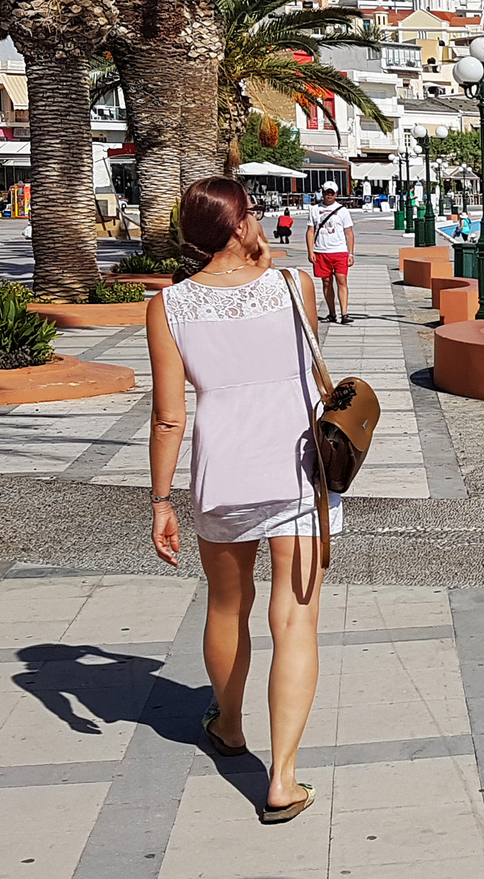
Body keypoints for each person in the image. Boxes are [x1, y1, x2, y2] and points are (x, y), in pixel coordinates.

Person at [146, 176, 337, 825]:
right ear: (234, 227)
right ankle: (281, 780)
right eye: (252, 214)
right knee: (295, 619)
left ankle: (229, 726)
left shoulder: (170, 305)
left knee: (228, 604)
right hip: (299, 471)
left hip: (224, 472)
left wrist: (160, 501)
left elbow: (169, 417)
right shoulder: (292, 286)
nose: (261, 222)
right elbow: (313, 373)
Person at [307, 183, 354, 325]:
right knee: (326, 282)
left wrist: (350, 254)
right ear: (322, 193)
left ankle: (344, 313)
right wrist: (310, 251)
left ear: (336, 194)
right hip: (321, 251)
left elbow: (349, 233)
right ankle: (332, 313)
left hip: (339, 251)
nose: (329, 195)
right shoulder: (314, 210)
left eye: (332, 193)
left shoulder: (342, 211)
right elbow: (310, 231)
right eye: (327, 192)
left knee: (342, 280)